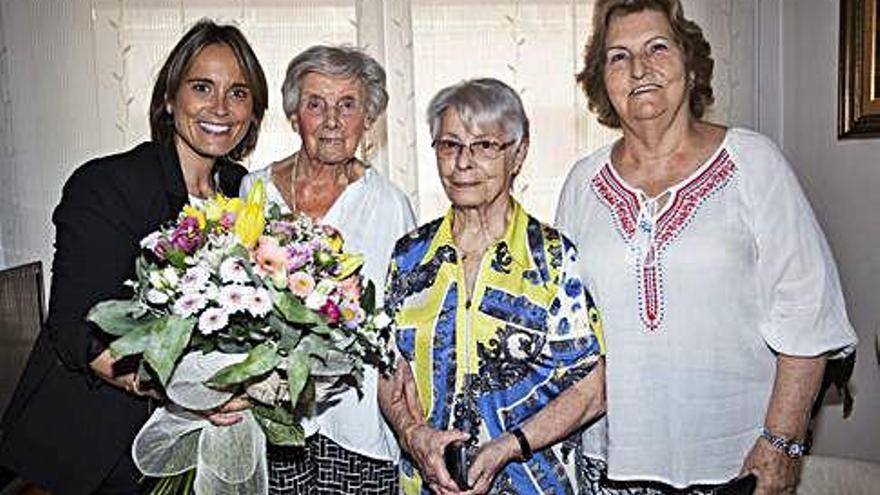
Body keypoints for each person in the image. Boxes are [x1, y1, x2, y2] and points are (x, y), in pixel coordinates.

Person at [556, 1, 858, 494]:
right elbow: (564, 330)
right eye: (618, 56)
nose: (639, 69)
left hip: (738, 464)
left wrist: (780, 445)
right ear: (601, 81)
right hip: (611, 465)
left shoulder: (753, 163)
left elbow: (808, 311)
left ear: (690, 63)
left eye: (658, 47)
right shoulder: (582, 184)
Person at [0, 19, 268, 494]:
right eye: (202, 87)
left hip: (189, 445)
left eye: (238, 93)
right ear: (169, 98)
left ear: (253, 110)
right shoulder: (107, 185)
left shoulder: (239, 191)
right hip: (91, 451)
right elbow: (74, 330)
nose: (220, 108)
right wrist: (186, 393)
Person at [378, 78, 606, 495]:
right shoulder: (410, 256)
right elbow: (389, 368)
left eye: (483, 146)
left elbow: (592, 387)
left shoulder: (552, 258)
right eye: (449, 145)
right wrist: (414, 436)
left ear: (517, 154)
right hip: (429, 485)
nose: (462, 163)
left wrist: (509, 446)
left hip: (533, 483)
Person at [239, 45, 416, 494]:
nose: (332, 120)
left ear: (368, 117)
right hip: (269, 422)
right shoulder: (254, 189)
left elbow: (400, 328)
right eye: (316, 104)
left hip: (356, 426)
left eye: (348, 104)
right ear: (295, 114)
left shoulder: (390, 206)